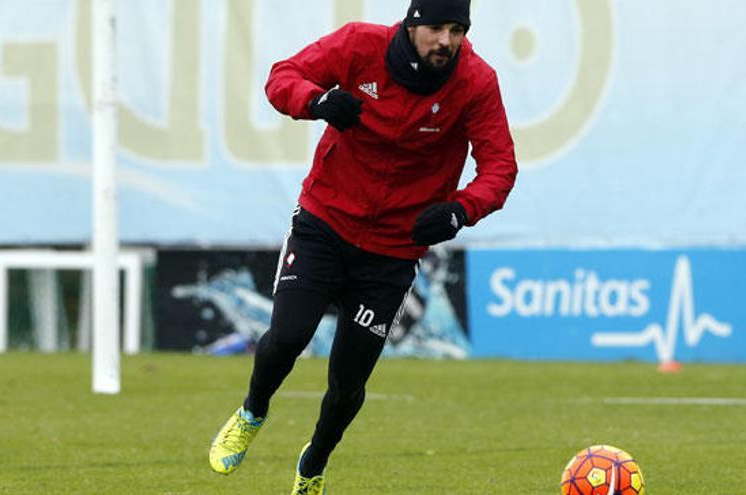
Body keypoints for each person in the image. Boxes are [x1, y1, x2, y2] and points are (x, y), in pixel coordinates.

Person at [208, 0, 517, 492]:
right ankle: (251, 411)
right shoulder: (359, 45)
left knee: (348, 381)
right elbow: (282, 76)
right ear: (413, 23)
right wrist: (316, 102)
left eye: (457, 29)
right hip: (324, 223)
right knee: (288, 337)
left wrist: (460, 210)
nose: (447, 40)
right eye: (437, 27)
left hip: (393, 251)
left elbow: (500, 168)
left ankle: (313, 464)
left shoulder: (476, 82)